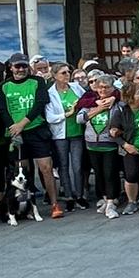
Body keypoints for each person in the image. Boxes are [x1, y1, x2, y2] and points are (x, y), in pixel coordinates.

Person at [0, 52, 63, 218]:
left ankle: (54, 203)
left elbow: (40, 103)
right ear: (10, 67)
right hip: (15, 133)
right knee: (22, 171)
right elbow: (2, 110)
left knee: (46, 168)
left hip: (36, 130)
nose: (21, 69)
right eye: (17, 66)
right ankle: (25, 207)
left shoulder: (38, 82)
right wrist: (14, 127)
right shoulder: (3, 87)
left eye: (24, 66)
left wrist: (22, 123)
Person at [76, 74, 122, 217]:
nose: (102, 90)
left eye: (106, 87)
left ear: (112, 89)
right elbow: (79, 119)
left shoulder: (117, 103)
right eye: (100, 87)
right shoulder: (90, 102)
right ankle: (104, 198)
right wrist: (98, 109)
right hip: (92, 144)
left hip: (109, 144)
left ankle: (110, 202)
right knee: (99, 174)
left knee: (109, 173)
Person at [110, 72, 139, 213]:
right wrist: (126, 145)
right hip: (130, 148)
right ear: (130, 98)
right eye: (138, 93)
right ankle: (132, 201)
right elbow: (112, 132)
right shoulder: (121, 112)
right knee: (131, 175)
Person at [45, 64, 88, 211]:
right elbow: (49, 117)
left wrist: (80, 108)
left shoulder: (76, 87)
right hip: (60, 134)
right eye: (63, 73)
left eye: (68, 72)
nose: (67, 75)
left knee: (77, 165)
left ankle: (79, 195)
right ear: (55, 75)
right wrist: (66, 114)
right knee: (63, 166)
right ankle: (68, 196)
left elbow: (86, 101)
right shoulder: (50, 93)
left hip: (77, 132)